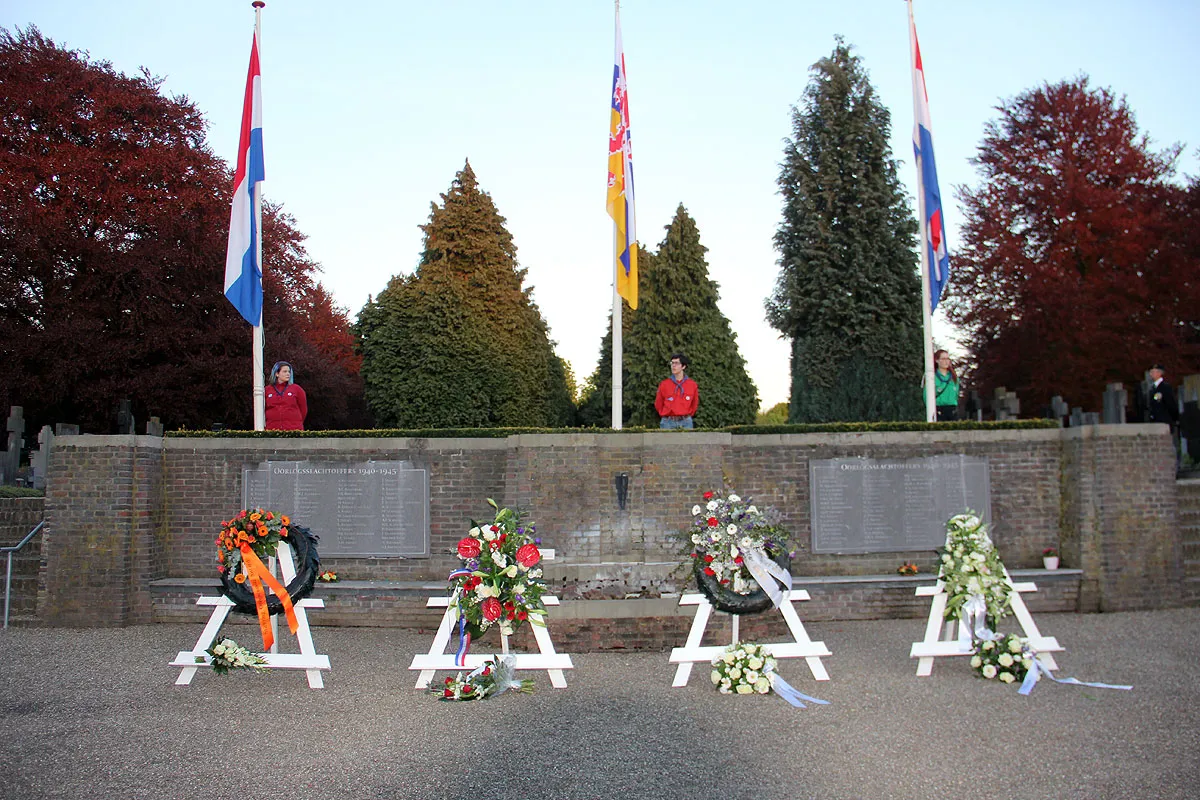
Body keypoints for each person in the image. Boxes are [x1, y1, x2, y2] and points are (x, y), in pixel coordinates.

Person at [656, 353, 698, 429]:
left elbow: (694, 404)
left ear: (683, 366)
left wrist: (687, 415)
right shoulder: (664, 384)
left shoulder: (692, 385)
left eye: (676, 363)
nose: (673, 366)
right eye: (672, 363)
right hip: (668, 422)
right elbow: (658, 403)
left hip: (686, 422)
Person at [265, 361, 308, 431]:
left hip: (293, 429)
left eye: (289, 372)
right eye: (285, 371)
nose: (288, 374)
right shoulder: (267, 390)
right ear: (277, 374)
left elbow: (303, 409)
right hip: (272, 429)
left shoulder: (297, 389)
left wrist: (295, 422)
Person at [933, 349, 959, 422]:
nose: (946, 361)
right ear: (937, 360)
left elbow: (956, 394)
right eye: (943, 359)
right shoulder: (932, 377)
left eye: (948, 359)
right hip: (939, 409)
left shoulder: (954, 377)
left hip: (952, 410)